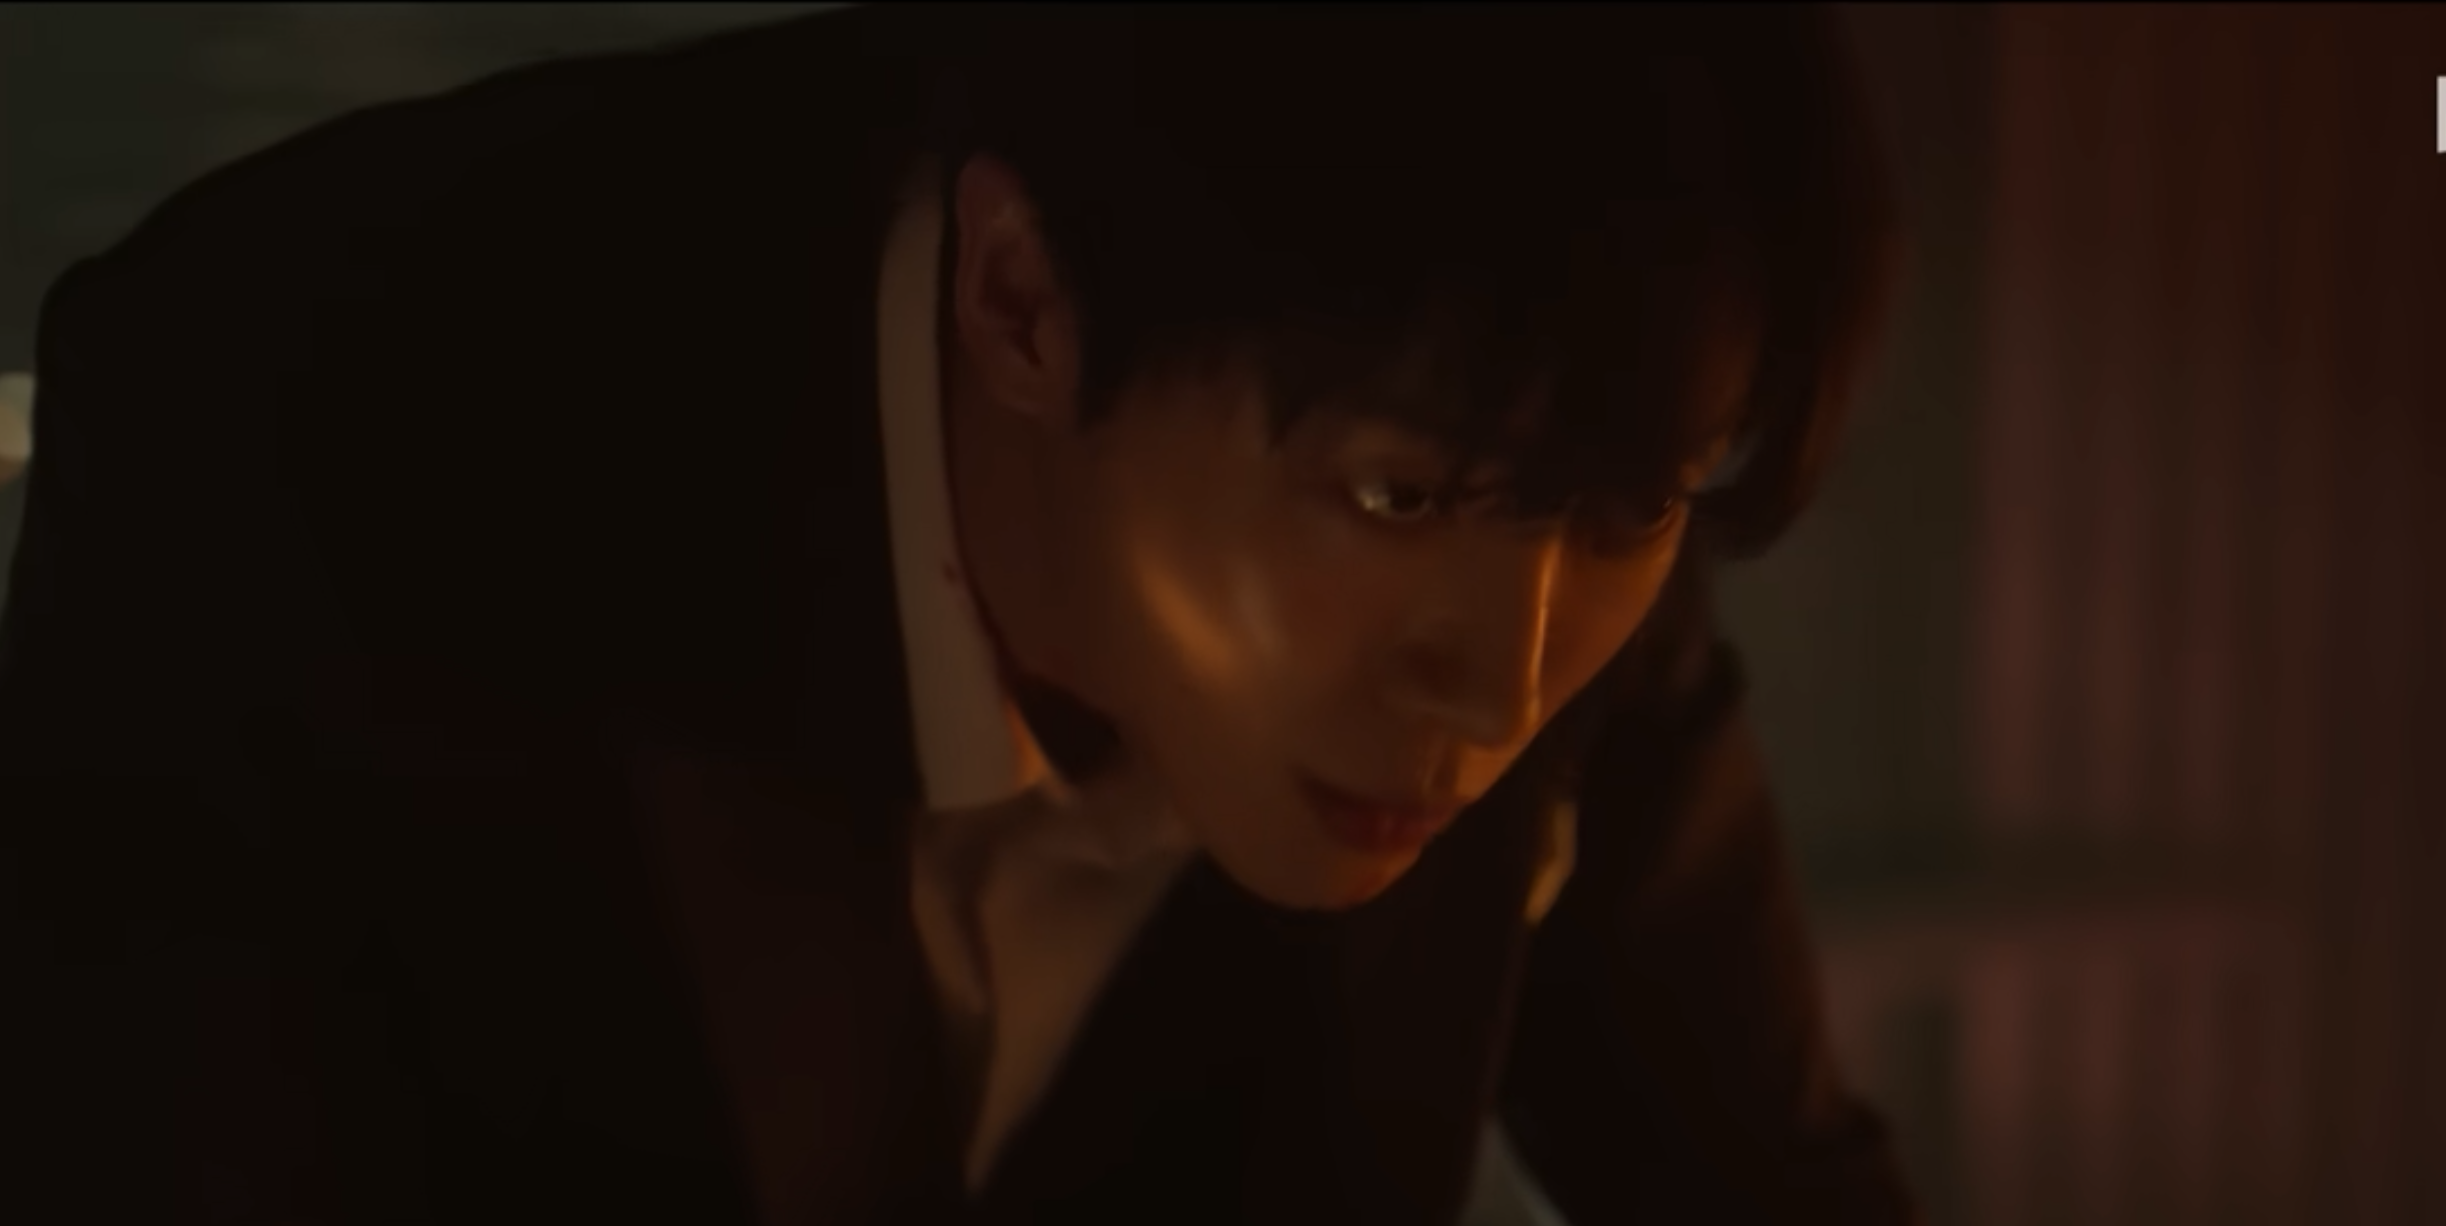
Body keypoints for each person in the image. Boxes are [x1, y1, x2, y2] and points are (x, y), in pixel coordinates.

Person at [0, 5, 1911, 1224]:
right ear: (1018, 300)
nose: (1499, 685)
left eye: (1637, 506)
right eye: (1396, 495)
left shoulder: (1555, 503)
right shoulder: (290, 443)